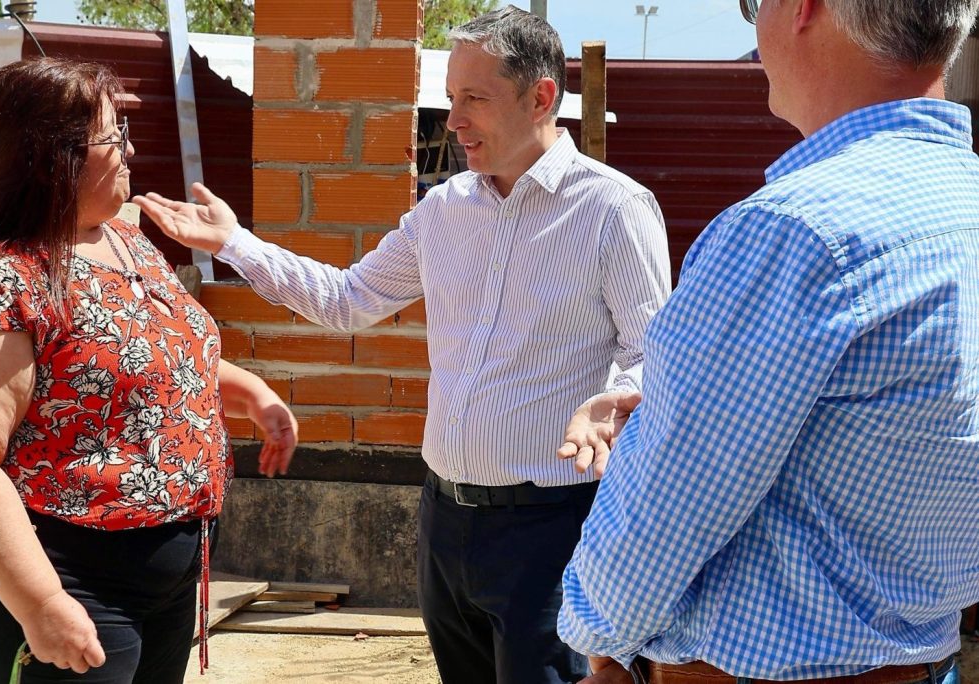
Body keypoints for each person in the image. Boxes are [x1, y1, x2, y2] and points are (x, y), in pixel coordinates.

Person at [133, 7, 671, 683]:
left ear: (541, 97)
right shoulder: (444, 211)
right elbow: (348, 298)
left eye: (474, 98)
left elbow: (654, 352)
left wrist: (611, 400)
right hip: (444, 524)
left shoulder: (614, 209)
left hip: (555, 529)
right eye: (451, 97)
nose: (455, 121)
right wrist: (235, 243)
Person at [558, 1, 979, 683]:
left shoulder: (795, 230)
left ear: (805, 7)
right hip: (925, 661)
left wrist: (598, 637)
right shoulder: (960, 203)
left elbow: (665, 514)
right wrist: (665, 411)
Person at [0, 57, 297, 684]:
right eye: (113, 135)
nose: (130, 149)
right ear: (54, 158)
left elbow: (153, 360)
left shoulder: (124, 241)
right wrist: (41, 603)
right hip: (67, 577)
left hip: (169, 573)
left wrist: (252, 395)